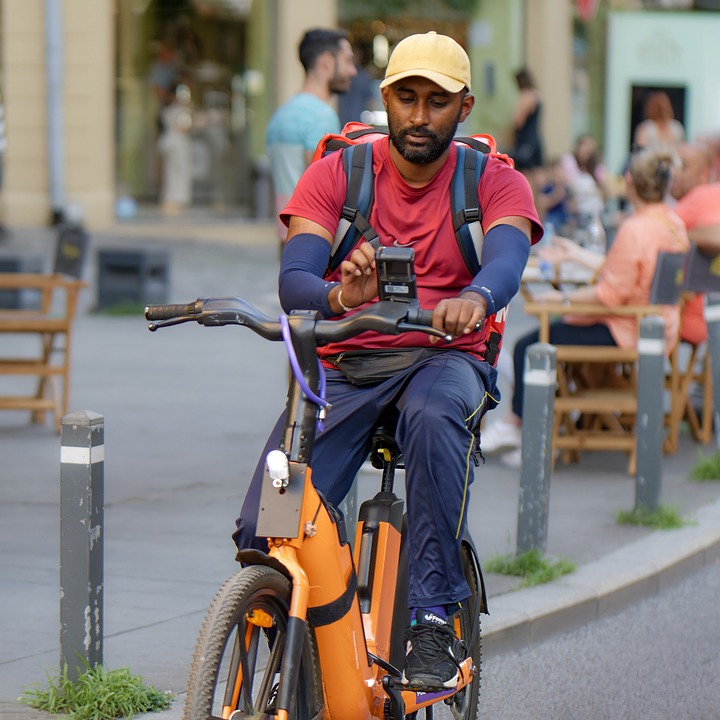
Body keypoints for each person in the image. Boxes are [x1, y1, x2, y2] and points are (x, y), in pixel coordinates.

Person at [234, 31, 542, 691]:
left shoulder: (492, 179)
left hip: (443, 357)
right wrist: (342, 294)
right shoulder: (336, 174)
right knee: (269, 517)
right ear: (385, 99)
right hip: (347, 365)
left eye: (437, 101)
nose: (420, 114)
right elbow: (296, 280)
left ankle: (433, 616)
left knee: (434, 419)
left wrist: (477, 295)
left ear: (464, 109)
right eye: (407, 97)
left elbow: (509, 256)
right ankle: (297, 628)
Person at [481, 146, 689, 461]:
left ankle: (520, 426)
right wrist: (576, 254)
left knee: (529, 344)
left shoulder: (635, 229)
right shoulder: (672, 223)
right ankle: (541, 426)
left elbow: (608, 296)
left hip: (627, 329)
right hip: (657, 325)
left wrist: (559, 300)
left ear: (629, 181)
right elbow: (626, 272)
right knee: (549, 333)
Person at [266, 28, 357, 244]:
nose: (353, 71)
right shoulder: (321, 117)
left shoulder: (281, 115)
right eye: (347, 60)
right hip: (314, 238)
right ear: (327, 61)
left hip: (287, 235)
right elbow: (326, 187)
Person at [669, 141, 720, 347]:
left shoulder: (699, 197)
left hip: (687, 317)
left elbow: (653, 236)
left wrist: (685, 236)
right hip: (711, 316)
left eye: (684, 166)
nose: (675, 173)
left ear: (704, 173)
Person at [510, 68, 544, 186]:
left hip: (525, 142)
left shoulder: (525, 96)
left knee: (525, 179)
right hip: (535, 140)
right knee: (538, 178)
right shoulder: (536, 94)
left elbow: (518, 121)